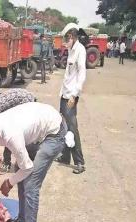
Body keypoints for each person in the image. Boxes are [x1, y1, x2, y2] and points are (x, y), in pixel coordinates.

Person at [0, 88, 36, 174]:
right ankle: (30, 156)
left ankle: (8, 163)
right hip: (25, 97)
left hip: (26, 102)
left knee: (12, 135)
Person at [57, 27, 86, 174]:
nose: (64, 42)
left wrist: (74, 95)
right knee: (64, 127)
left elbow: (81, 75)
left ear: (72, 37)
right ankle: (65, 157)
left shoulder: (80, 50)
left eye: (66, 38)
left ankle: (80, 162)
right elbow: (68, 75)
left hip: (71, 97)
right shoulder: (70, 50)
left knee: (72, 128)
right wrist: (62, 93)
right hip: (64, 95)